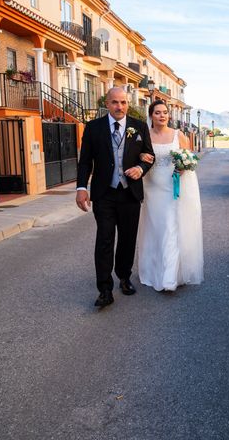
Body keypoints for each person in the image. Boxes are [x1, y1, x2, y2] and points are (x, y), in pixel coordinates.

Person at [76, 87, 155, 308]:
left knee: (128, 239)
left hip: (130, 193)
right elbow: (85, 162)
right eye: (114, 102)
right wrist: (81, 187)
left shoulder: (139, 127)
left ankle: (124, 276)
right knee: (104, 240)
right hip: (104, 194)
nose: (119, 107)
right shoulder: (93, 128)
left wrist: (141, 168)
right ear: (107, 103)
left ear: (127, 104)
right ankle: (104, 289)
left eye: (123, 102)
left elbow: (149, 156)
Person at [137, 99, 203, 291]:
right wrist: (141, 157)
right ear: (151, 116)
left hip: (172, 188)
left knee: (169, 226)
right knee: (153, 228)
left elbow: (189, 157)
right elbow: (136, 155)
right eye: (157, 112)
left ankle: (169, 277)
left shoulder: (178, 135)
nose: (162, 115)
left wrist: (184, 167)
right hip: (151, 188)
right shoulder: (144, 135)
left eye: (165, 112)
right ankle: (152, 269)